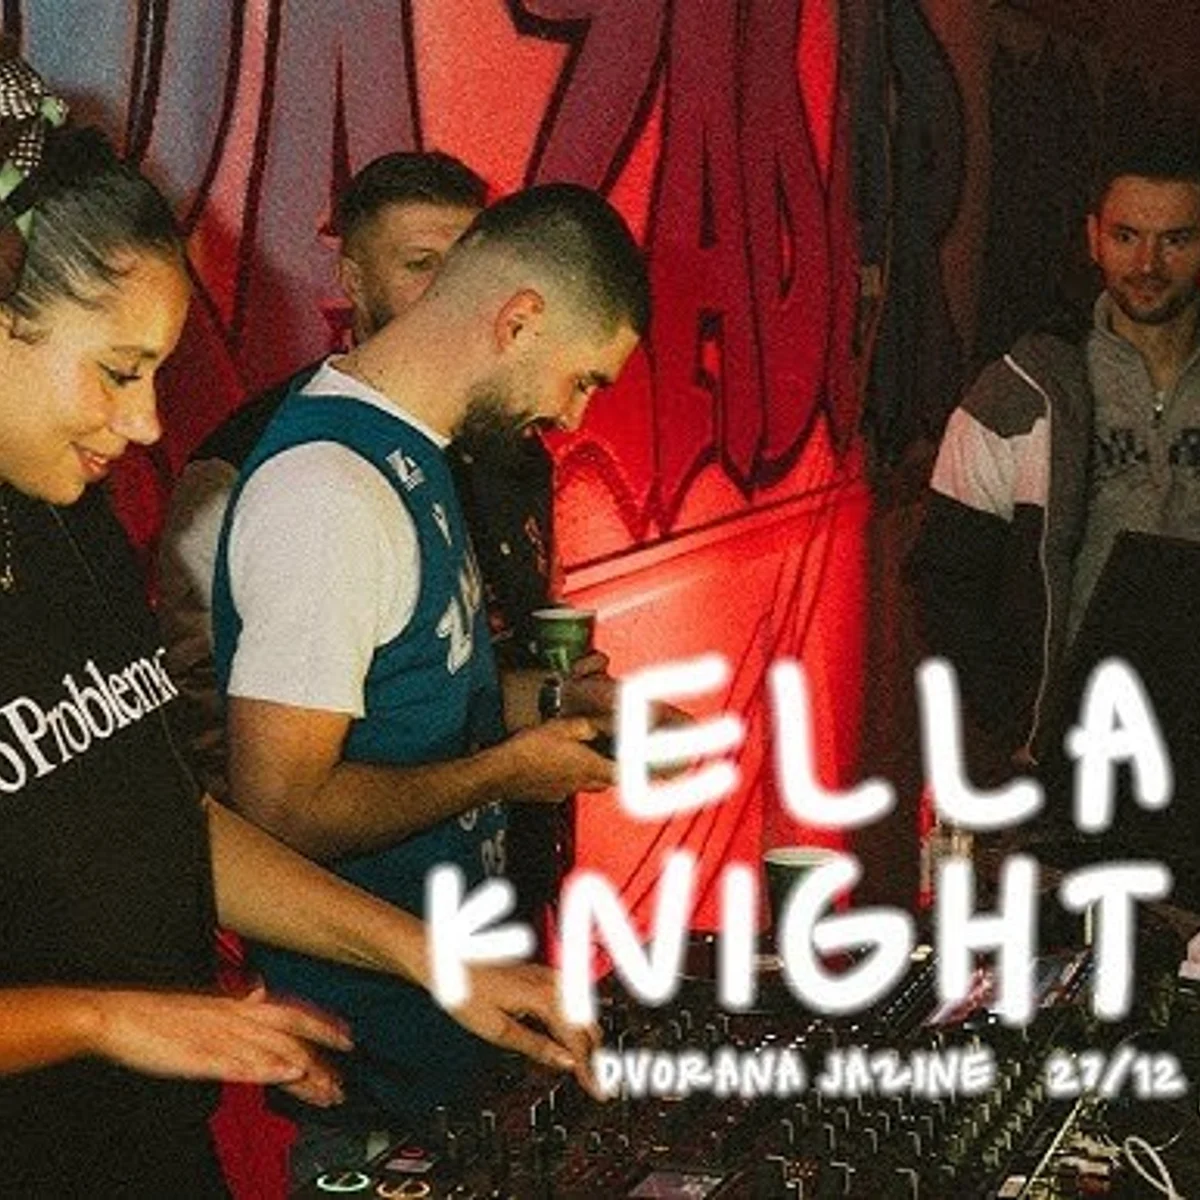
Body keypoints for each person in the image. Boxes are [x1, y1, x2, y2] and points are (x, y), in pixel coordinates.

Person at [0, 78, 596, 1196]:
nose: (146, 422)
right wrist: (102, 1018)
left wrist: (433, 959)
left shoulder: (70, 531)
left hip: (150, 1155)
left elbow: (169, 824)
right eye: (120, 370)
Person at [212, 183, 647, 1140]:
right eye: (582, 380)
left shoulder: (416, 452)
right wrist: (505, 773)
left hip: (453, 1034)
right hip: (370, 1065)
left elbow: (423, 693)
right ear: (519, 320)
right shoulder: (329, 491)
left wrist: (565, 706)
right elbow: (282, 809)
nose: (571, 415)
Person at [158, 150, 565, 804]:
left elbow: (518, 619)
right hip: (355, 851)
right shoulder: (249, 459)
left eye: (465, 265)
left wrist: (559, 694)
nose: (450, 293)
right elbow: (212, 715)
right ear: (353, 279)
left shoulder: (508, 439)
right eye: (420, 264)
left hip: (517, 828)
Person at [910, 121, 1200, 782]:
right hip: (1072, 754)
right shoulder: (1018, 393)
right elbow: (945, 576)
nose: (1148, 265)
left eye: (1176, 239)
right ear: (1093, 237)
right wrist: (1019, 719)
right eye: (1126, 236)